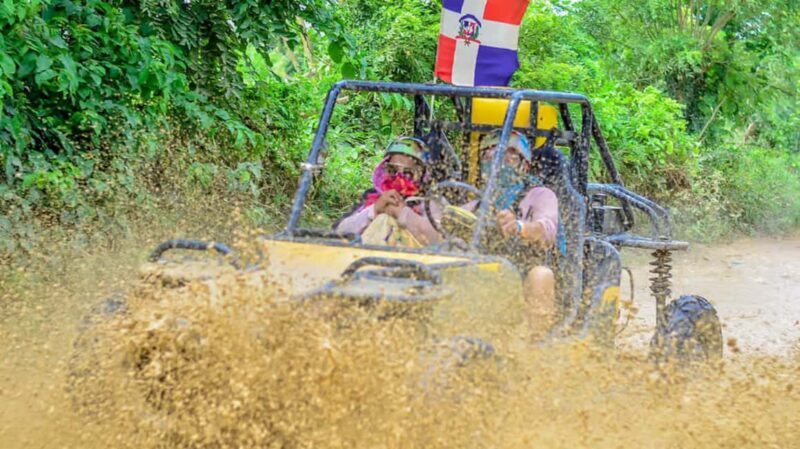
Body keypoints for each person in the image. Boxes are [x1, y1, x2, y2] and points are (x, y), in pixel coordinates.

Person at [478, 130, 560, 340]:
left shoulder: (540, 195)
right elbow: (437, 231)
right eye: (490, 154)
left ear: (524, 165)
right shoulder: (478, 200)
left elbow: (547, 229)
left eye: (508, 155)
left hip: (524, 275)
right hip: (482, 273)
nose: (497, 161)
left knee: (541, 274)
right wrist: (401, 213)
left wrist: (520, 227)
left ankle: (535, 348)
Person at [335, 137, 442, 247]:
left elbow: (440, 240)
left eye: (408, 173)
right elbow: (339, 231)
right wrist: (374, 210)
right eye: (392, 170)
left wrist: (403, 213)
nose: (398, 177)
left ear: (422, 175)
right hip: (363, 261)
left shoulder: (430, 202)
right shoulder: (372, 196)